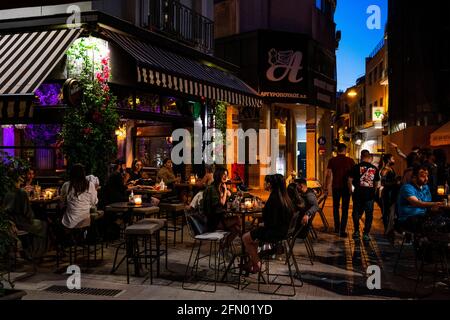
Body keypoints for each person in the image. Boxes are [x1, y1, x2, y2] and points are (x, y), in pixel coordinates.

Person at [242, 174, 294, 273]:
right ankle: (251, 263)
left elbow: (271, 221)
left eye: (267, 182)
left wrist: (263, 224)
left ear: (271, 184)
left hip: (274, 233)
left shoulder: (274, 198)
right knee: (254, 237)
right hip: (283, 232)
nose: (265, 184)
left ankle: (257, 264)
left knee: (245, 237)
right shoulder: (285, 197)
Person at [2, 175, 48, 260]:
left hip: (10, 223)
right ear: (19, 181)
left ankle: (27, 249)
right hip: (21, 223)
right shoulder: (21, 193)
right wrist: (31, 218)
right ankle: (36, 252)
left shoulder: (7, 192)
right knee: (43, 224)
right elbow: (27, 213)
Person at [397, 165, 445, 234]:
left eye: (427, 176)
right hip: (408, 218)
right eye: (423, 176)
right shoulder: (407, 187)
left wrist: (434, 208)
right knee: (430, 225)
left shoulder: (425, 187)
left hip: (423, 216)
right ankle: (423, 242)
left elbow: (428, 204)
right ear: (414, 177)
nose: (426, 179)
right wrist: (436, 204)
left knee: (443, 221)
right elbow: (416, 203)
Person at [348, 150, 380, 242]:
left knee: (356, 213)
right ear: (369, 157)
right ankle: (366, 233)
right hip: (369, 196)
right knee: (369, 215)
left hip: (358, 194)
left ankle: (357, 231)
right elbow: (376, 183)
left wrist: (351, 191)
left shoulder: (355, 167)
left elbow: (349, 180)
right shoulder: (374, 168)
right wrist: (374, 193)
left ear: (361, 156)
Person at [202, 166, 240, 242]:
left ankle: (224, 248)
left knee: (236, 229)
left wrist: (230, 194)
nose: (226, 176)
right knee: (237, 220)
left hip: (220, 218)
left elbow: (230, 202)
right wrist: (226, 191)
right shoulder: (212, 188)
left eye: (226, 174)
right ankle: (244, 242)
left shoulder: (221, 187)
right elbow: (221, 204)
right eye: (223, 174)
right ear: (218, 175)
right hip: (213, 221)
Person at [325, 143, 355, 237]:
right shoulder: (350, 161)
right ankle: (342, 230)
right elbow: (353, 175)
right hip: (346, 187)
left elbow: (329, 174)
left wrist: (326, 187)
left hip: (336, 187)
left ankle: (336, 227)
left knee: (335, 207)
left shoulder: (332, 160)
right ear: (345, 150)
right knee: (345, 208)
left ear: (337, 150)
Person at [60, 164, 98, 229]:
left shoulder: (66, 185)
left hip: (69, 222)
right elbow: (94, 202)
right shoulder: (90, 185)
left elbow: (63, 201)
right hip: (85, 221)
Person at [380, 154, 400, 233]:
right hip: (388, 193)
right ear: (388, 160)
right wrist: (395, 182)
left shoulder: (391, 168)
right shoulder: (385, 170)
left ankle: (390, 228)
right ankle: (386, 229)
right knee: (386, 211)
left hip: (392, 193)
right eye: (393, 158)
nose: (394, 160)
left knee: (391, 211)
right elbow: (383, 183)